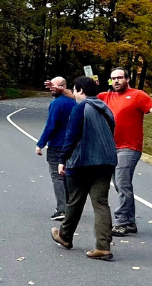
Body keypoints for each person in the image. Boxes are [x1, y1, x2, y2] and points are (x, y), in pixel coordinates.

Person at [51, 76, 119, 260]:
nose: (73, 93)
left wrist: (62, 159)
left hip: (83, 161)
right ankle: (103, 246)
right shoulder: (106, 108)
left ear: (81, 90)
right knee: (101, 203)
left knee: (75, 200)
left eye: (74, 90)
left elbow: (72, 135)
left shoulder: (80, 108)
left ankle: (65, 236)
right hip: (106, 161)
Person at [99, 67, 152, 236]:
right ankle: (130, 221)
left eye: (119, 78)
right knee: (119, 184)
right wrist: (61, 89)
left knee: (122, 183)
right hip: (111, 148)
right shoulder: (106, 96)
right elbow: (79, 96)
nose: (116, 81)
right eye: (113, 79)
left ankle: (122, 222)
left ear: (127, 79)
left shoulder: (138, 95)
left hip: (129, 147)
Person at [34, 76, 74, 220]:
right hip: (72, 145)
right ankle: (71, 207)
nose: (51, 89)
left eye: (53, 86)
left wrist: (41, 143)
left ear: (62, 87)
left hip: (57, 144)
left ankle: (61, 209)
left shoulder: (57, 103)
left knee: (57, 177)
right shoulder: (75, 102)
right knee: (68, 176)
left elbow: (51, 125)